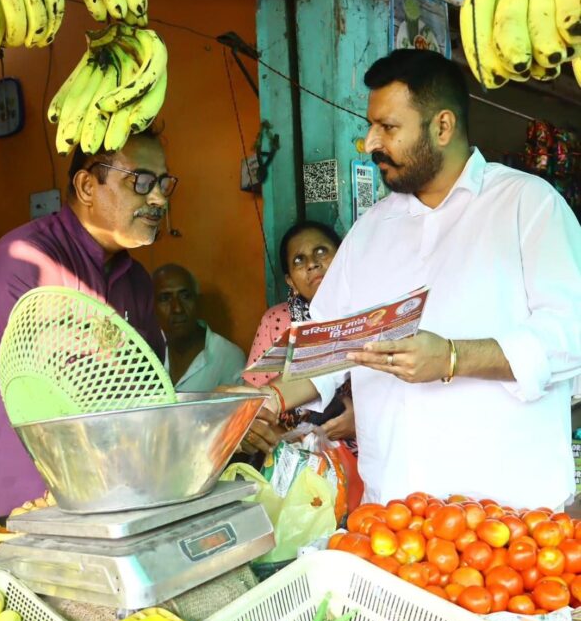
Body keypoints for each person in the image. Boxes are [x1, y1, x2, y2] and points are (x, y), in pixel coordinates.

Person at [244, 49, 581, 510]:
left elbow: (571, 334)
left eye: (388, 127)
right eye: (370, 126)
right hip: (395, 513)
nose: (370, 142)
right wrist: (265, 401)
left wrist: (453, 358)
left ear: (442, 127)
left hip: (511, 518)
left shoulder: (528, 205)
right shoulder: (369, 232)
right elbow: (325, 348)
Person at [0, 130, 177, 523]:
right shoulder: (22, 260)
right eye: (142, 182)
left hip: (89, 501)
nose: (159, 199)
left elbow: (147, 389)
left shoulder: (136, 282)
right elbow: (72, 386)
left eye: (164, 183)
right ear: (86, 185)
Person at [243, 221, 356, 443]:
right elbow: (255, 412)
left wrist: (358, 423)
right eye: (299, 260)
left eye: (321, 252)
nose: (312, 264)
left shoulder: (367, 315)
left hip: (366, 456)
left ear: (343, 256)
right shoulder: (277, 321)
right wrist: (289, 440)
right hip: (297, 460)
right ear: (291, 281)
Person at [152, 263, 246, 391]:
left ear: (198, 301)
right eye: (165, 298)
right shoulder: (143, 354)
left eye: (185, 296)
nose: (177, 308)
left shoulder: (228, 357)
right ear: (151, 307)